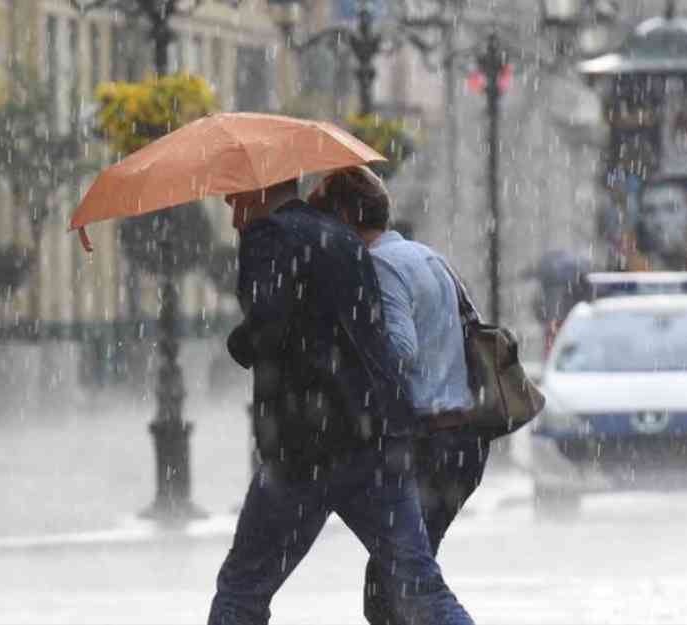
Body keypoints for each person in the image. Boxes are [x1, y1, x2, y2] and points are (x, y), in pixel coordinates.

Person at [208, 177, 474, 625]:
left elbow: (269, 323)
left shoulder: (269, 236)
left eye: (235, 197)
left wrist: (242, 343)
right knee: (419, 586)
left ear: (259, 192)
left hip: (304, 445)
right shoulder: (341, 237)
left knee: (243, 587)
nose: (231, 207)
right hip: (374, 438)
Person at [308, 166, 491, 625]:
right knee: (397, 583)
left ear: (348, 217)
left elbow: (402, 348)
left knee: (402, 588)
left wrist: (349, 357)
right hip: (462, 440)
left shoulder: (381, 265)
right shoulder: (424, 255)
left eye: (330, 220)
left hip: (430, 443)